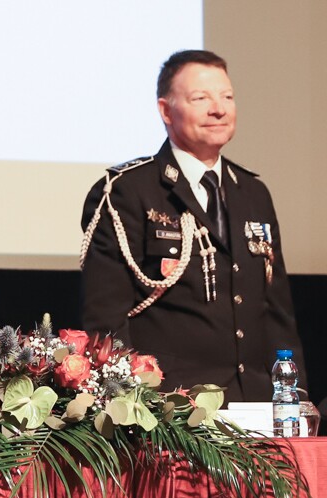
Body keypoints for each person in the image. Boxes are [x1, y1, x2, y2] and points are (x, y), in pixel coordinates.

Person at [78, 49, 303, 400]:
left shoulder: (253, 193)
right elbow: (106, 320)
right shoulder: (128, 191)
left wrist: (294, 397)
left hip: (255, 403)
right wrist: (128, 405)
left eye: (227, 96)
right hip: (172, 407)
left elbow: (277, 313)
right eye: (201, 98)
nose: (219, 108)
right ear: (166, 110)